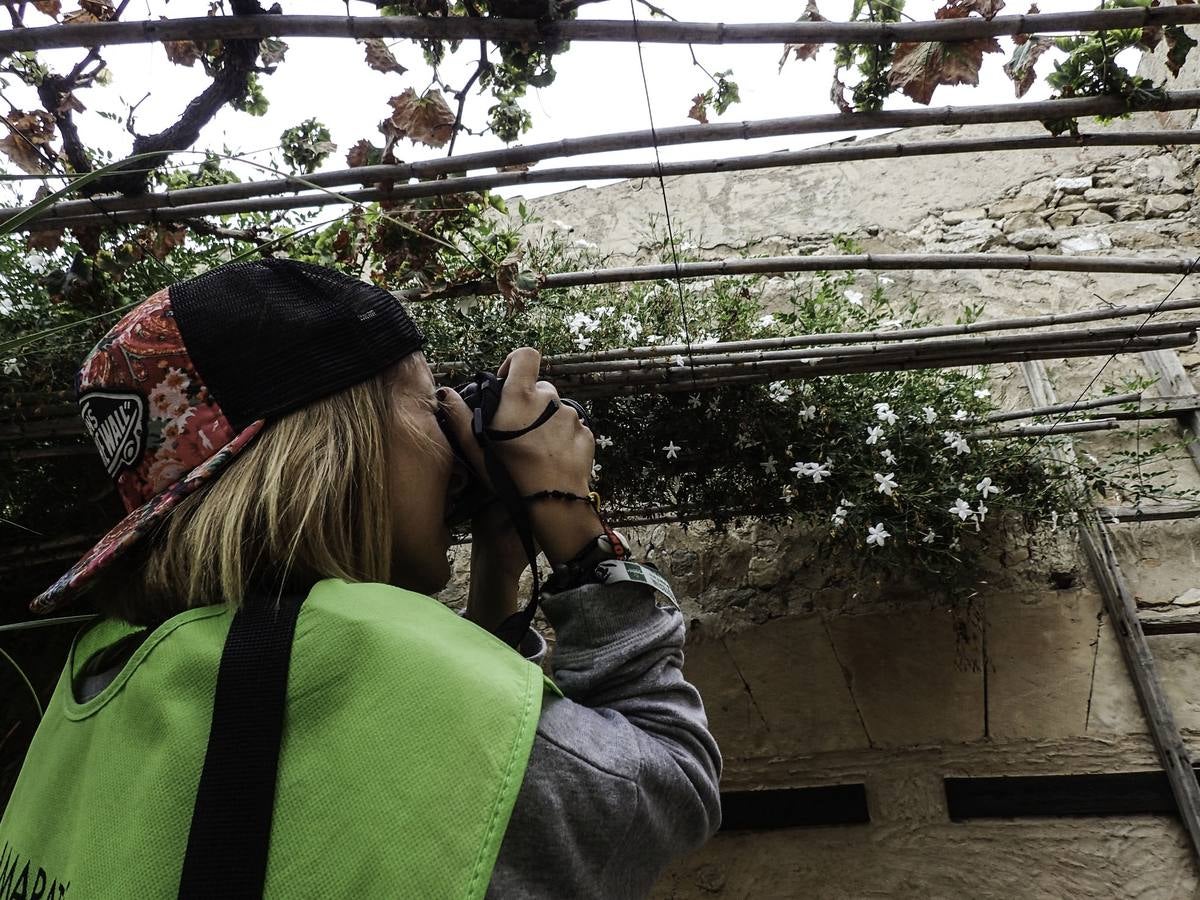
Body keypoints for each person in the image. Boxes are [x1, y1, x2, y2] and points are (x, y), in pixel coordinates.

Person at [0, 259, 722, 899]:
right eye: (426, 403)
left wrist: (500, 576)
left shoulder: (96, 682)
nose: (451, 441)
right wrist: (577, 531)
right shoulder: (382, 672)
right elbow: (669, 783)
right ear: (341, 445)